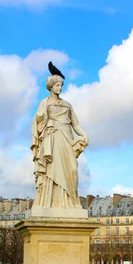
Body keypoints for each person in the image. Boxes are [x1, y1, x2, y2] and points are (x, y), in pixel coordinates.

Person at [31, 67, 89, 210]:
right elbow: (38, 121)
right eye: (57, 85)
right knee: (51, 170)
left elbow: (75, 123)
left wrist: (83, 134)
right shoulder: (44, 103)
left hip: (66, 137)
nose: (60, 88)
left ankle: (72, 201)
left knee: (73, 169)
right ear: (51, 87)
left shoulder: (67, 105)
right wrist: (41, 118)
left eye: (61, 85)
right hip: (52, 138)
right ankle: (49, 202)